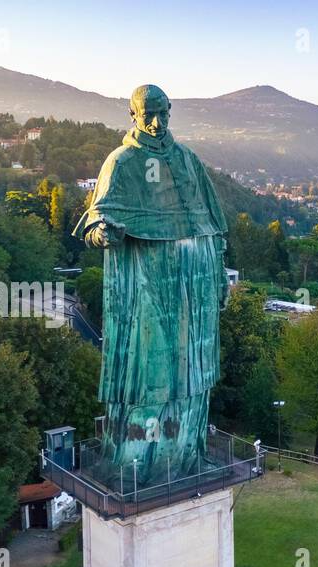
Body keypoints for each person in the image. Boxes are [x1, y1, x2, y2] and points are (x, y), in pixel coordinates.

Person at [74, 84, 229, 484]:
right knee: (152, 374)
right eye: (149, 115)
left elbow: (212, 223)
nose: (158, 123)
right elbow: (95, 220)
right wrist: (103, 234)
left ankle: (187, 454)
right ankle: (139, 463)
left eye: (164, 113)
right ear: (134, 116)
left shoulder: (188, 161)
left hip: (195, 287)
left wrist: (218, 277)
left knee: (194, 373)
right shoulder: (122, 162)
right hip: (148, 286)